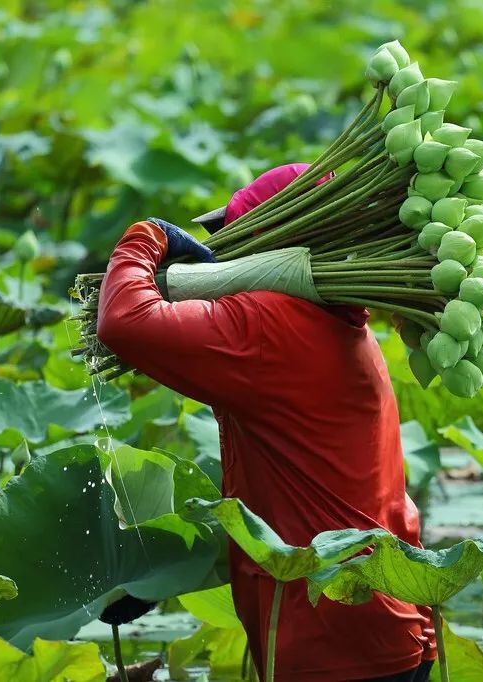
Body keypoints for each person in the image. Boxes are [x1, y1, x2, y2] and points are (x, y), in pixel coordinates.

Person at [96, 163, 437, 682]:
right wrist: (160, 578)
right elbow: (289, 503)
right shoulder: (349, 332)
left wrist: (147, 238)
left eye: (234, 238)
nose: (222, 253)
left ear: (270, 244)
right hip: (392, 629)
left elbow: (123, 321)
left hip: (331, 646)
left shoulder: (267, 326)